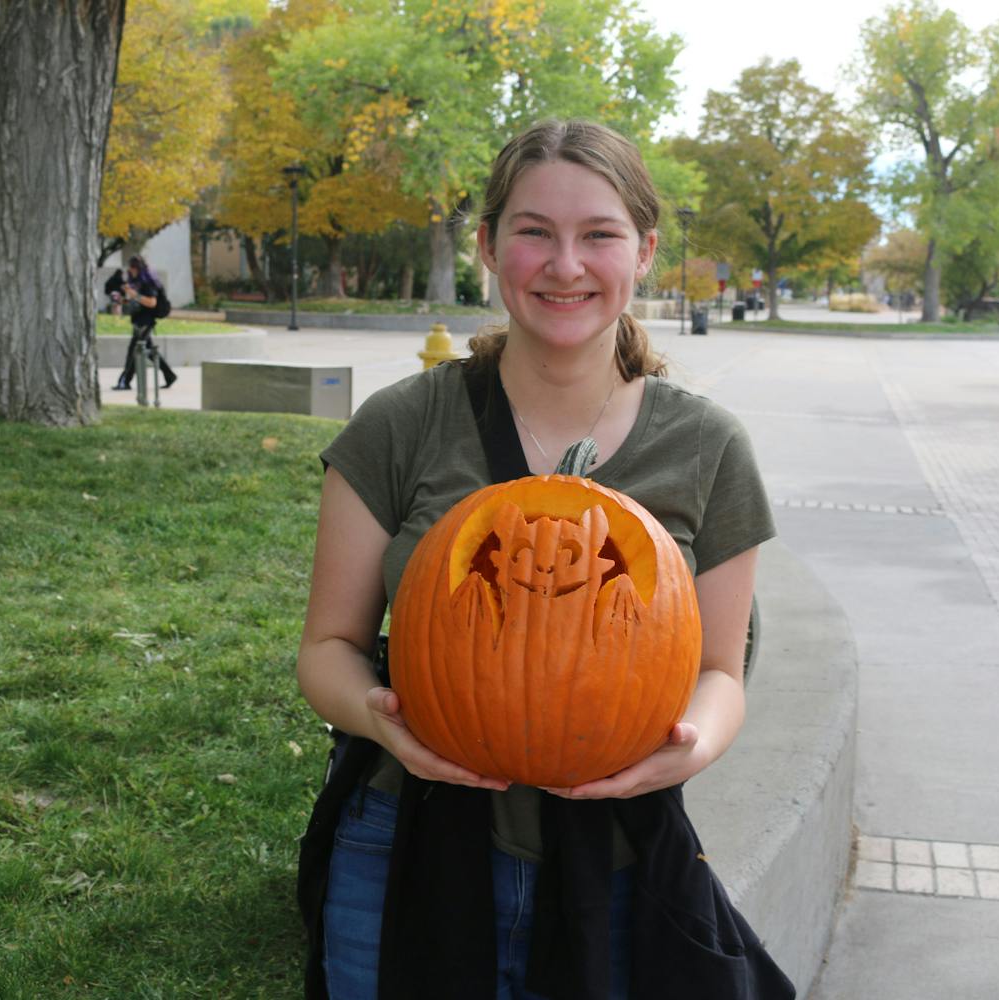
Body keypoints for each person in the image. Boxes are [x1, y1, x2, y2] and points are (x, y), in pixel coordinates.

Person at [295, 120, 793, 999]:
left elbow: (720, 671)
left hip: (617, 865)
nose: (566, 266)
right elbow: (327, 648)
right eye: (535, 232)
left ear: (643, 252)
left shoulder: (707, 446)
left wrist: (691, 747)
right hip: (404, 848)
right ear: (490, 246)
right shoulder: (401, 424)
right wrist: (378, 717)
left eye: (598, 234)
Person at [111, 255, 176, 391]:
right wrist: (121, 299)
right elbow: (135, 301)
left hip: (145, 322)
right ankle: (169, 375)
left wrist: (134, 294)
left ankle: (125, 381)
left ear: (138, 268)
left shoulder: (148, 283)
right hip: (138, 320)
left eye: (133, 267)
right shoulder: (135, 282)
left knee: (134, 351)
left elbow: (152, 302)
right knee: (149, 352)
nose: (131, 270)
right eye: (130, 267)